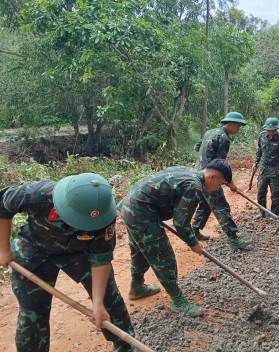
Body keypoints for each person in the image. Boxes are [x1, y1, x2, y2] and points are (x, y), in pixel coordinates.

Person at [0, 173, 135, 352]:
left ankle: (126, 347)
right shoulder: (37, 194)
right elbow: (3, 206)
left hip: (80, 251)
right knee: (32, 312)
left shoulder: (104, 216)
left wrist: (97, 303)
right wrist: (3, 249)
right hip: (34, 248)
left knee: (109, 300)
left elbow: (101, 257)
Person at [118, 159, 232, 316]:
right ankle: (178, 301)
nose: (216, 189)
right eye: (220, 185)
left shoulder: (188, 172)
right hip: (141, 212)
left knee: (141, 249)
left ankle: (137, 287)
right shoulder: (194, 187)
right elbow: (181, 222)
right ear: (212, 176)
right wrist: (193, 242)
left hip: (131, 205)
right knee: (163, 256)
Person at [192, 112, 252, 250]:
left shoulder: (210, 132)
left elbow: (197, 147)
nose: (239, 129)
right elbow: (220, 164)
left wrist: (202, 163)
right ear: (230, 124)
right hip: (210, 178)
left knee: (205, 204)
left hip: (198, 174)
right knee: (221, 206)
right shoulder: (224, 138)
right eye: (238, 126)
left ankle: (194, 231)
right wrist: (230, 183)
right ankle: (233, 238)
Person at [252, 117, 279, 218]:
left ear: (276, 129)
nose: (270, 132)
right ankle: (262, 212)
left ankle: (274, 213)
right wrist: (256, 162)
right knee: (260, 192)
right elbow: (259, 150)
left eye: (273, 130)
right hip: (263, 170)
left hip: (275, 171)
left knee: (275, 194)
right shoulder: (262, 136)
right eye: (269, 130)